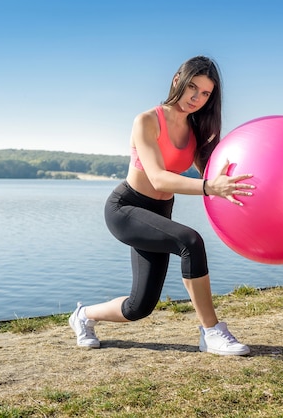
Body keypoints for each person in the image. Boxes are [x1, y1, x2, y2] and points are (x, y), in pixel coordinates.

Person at [69, 56, 255, 356]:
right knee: (190, 241)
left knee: (138, 306)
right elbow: (158, 178)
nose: (196, 98)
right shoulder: (147, 120)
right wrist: (210, 188)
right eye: (192, 87)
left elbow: (215, 173)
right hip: (126, 209)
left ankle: (83, 316)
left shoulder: (197, 130)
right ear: (177, 79)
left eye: (205, 93)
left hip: (158, 214)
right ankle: (211, 332)